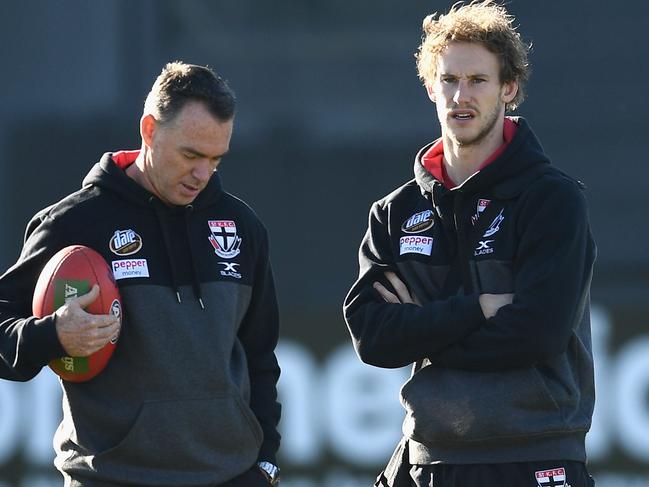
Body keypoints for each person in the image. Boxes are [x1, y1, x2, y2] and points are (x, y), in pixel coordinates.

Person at [343, 2, 596, 486]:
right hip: (431, 460)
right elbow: (372, 337)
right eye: (449, 80)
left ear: (510, 87)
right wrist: (476, 308)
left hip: (536, 456)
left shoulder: (552, 199)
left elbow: (537, 333)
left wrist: (423, 325)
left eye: (478, 80)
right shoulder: (394, 212)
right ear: (430, 87)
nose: (461, 96)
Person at [0, 61, 281, 487]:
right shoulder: (75, 223)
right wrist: (53, 334)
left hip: (231, 476)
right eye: (191, 155)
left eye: (216, 159)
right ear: (149, 130)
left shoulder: (241, 226)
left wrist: (266, 464)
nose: (203, 174)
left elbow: (260, 355)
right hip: (111, 478)